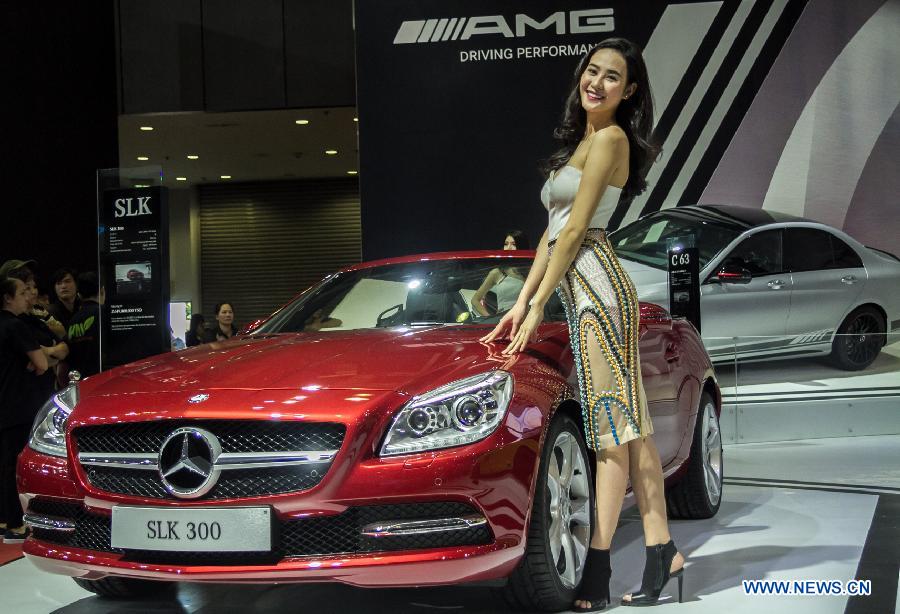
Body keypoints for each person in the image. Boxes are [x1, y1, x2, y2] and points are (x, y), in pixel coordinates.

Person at [481, 38, 682, 611]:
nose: (595, 82)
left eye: (611, 77)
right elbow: (549, 232)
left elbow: (574, 234)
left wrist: (542, 301)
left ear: (630, 91)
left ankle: (597, 567)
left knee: (611, 432)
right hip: (584, 290)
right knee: (631, 427)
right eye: (591, 71)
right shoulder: (584, 141)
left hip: (598, 292)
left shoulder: (612, 138)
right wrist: (523, 299)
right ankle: (660, 549)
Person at [0, 277, 49, 542]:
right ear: (8, 298)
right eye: (21, 292)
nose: (26, 297)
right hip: (17, 403)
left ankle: (4, 518)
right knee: (13, 464)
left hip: (4, 401)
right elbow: (42, 363)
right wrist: (36, 362)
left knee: (3, 463)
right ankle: (16, 524)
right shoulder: (15, 326)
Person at [470, 231, 529, 316]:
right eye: (506, 244)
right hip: (504, 321)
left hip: (528, 321)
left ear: (522, 247)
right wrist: (490, 318)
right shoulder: (497, 273)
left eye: (514, 244)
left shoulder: (532, 271)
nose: (508, 248)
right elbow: (475, 300)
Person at [66, 272, 103, 378]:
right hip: (101, 378)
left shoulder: (73, 320)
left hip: (79, 381)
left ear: (79, 295)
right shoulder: (104, 314)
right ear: (102, 291)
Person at [48, 268, 81, 332]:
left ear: (76, 284)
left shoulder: (85, 308)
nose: (63, 286)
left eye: (67, 281)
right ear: (54, 288)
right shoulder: (50, 313)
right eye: (59, 283)